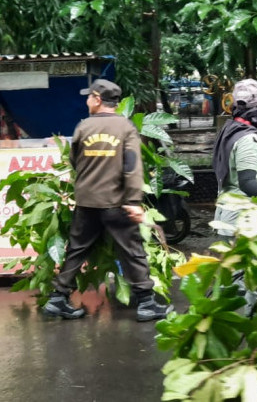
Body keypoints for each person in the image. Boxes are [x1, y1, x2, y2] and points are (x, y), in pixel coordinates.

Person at [43, 79, 171, 322]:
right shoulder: (125, 128)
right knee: (132, 251)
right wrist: (134, 200)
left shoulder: (83, 127)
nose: (86, 101)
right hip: (116, 202)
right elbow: (132, 167)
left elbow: (74, 161)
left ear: (98, 98)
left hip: (86, 201)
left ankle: (58, 298)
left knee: (77, 250)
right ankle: (146, 303)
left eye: (89, 97)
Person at [212, 79, 257, 239]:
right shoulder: (247, 140)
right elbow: (247, 182)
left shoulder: (231, 130)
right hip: (244, 224)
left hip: (238, 219)